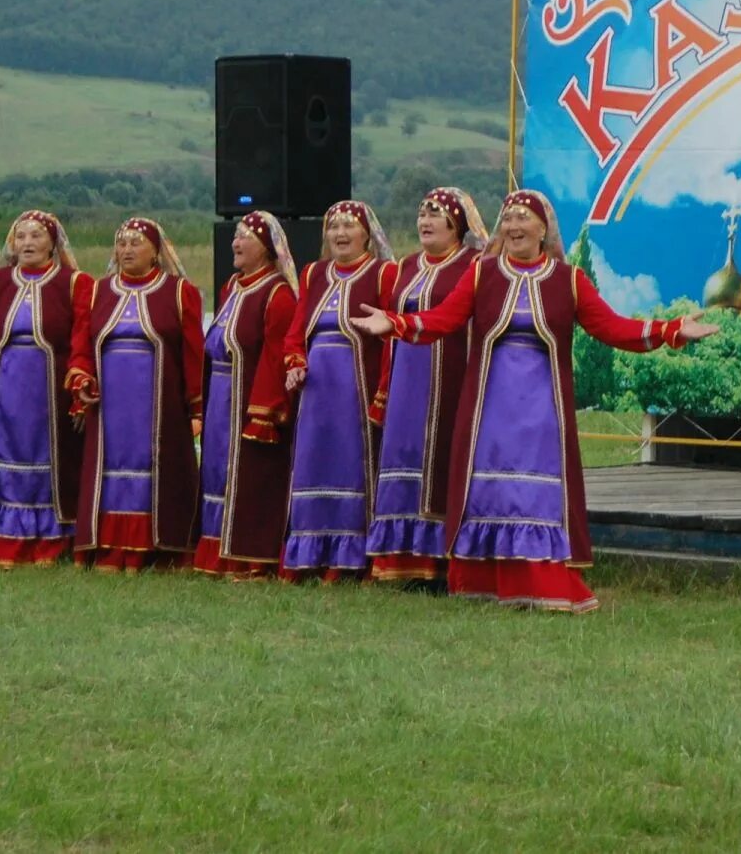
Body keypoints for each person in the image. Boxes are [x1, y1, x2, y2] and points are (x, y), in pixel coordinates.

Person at [352, 190, 718, 612]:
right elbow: (443, 319)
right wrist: (394, 322)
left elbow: (612, 328)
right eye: (507, 218)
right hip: (489, 408)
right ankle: (486, 580)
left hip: (542, 409)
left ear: (544, 228)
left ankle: (540, 582)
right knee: (492, 494)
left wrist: (671, 330)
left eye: (523, 218)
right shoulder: (482, 275)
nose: (513, 226)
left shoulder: (568, 281)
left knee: (533, 496)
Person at [366, 187, 487, 585]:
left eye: (435, 214)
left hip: (449, 375)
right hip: (407, 378)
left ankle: (443, 561)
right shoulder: (405, 266)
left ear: (456, 224)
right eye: (421, 213)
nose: (425, 221)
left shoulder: (475, 265)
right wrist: (384, 388)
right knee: (405, 455)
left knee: (440, 458)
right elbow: (390, 327)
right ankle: (402, 559)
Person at [68, 217, 203, 571]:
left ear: (156, 251)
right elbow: (81, 345)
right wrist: (82, 380)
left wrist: (198, 407)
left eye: (136, 243)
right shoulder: (97, 292)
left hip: (158, 406)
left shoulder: (178, 292)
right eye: (122, 243)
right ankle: (110, 545)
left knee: (153, 465)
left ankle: (157, 546)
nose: (127, 249)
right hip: (111, 404)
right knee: (110, 464)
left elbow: (192, 353)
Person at [0, 210, 90, 568]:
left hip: (49, 391)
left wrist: (79, 388)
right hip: (7, 388)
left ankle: (51, 541)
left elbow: (82, 338)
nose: (28, 243)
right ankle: (2, 538)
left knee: (49, 459)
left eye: (36, 236)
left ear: (53, 242)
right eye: (21, 236)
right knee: (5, 458)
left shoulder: (74, 283)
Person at [280, 199, 399, 581]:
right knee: (314, 465)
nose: (341, 234)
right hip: (317, 393)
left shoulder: (383, 274)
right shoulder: (314, 273)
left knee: (352, 467)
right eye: (333, 227)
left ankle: (350, 559)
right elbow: (296, 333)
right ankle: (309, 554)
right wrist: (295, 363)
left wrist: (382, 393)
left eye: (349, 226)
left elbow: (391, 339)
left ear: (367, 234)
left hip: (355, 390)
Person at [193, 210, 299, 579]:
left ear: (267, 248)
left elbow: (276, 355)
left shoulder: (277, 294)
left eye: (245, 237)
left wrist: (264, 411)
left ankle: (248, 555)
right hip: (222, 393)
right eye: (235, 236)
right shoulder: (231, 287)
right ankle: (214, 551)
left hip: (249, 401)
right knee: (217, 471)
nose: (235, 243)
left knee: (250, 474)